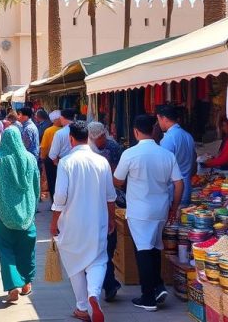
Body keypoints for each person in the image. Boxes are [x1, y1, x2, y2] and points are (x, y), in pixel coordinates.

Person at [114, 114, 184, 311]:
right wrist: (174, 207)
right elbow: (179, 183)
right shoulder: (166, 155)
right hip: (160, 209)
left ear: (136, 132)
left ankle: (148, 297)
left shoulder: (130, 154)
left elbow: (117, 180)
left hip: (139, 210)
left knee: (144, 251)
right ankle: (158, 286)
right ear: (153, 130)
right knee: (153, 247)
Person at [52, 121, 117, 322]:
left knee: (74, 263)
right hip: (98, 220)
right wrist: (112, 219)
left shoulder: (66, 162)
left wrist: (54, 220)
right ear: (88, 136)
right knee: (98, 260)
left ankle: (82, 306)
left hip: (71, 222)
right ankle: (93, 295)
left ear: (71, 139)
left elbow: (60, 196)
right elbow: (110, 196)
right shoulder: (101, 161)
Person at [0, 127, 41, 303]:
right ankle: (26, 284)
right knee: (26, 247)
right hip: (27, 212)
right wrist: (33, 203)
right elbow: (36, 184)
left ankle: (12, 286)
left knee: (5, 248)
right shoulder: (30, 159)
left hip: (2, 212)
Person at [87, 121, 124, 303]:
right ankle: (106, 284)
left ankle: (106, 285)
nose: (101, 140)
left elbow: (118, 177)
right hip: (101, 203)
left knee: (106, 248)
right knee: (103, 249)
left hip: (108, 200)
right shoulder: (90, 154)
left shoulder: (113, 147)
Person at [156, 104, 196, 207]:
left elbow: (163, 168)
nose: (158, 123)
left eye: (158, 119)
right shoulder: (188, 136)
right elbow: (193, 163)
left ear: (164, 118)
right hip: (187, 188)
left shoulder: (168, 138)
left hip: (174, 191)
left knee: (173, 221)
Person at [39, 109, 60, 200]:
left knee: (51, 180)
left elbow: (44, 146)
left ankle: (54, 200)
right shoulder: (66, 129)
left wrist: (43, 158)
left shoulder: (49, 131)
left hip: (50, 159)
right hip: (62, 158)